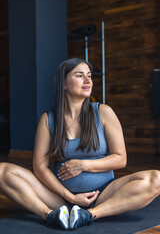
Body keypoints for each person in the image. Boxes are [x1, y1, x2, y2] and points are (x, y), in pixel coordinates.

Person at [0, 58, 160, 230]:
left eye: (89, 76)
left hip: (103, 194)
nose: (87, 80)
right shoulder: (48, 120)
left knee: (156, 179)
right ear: (64, 84)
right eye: (79, 75)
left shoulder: (103, 112)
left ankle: (88, 214)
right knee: (2, 171)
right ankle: (51, 215)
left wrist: (83, 165)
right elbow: (40, 167)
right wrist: (70, 197)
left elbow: (120, 159)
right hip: (59, 198)